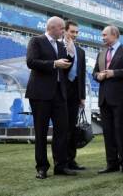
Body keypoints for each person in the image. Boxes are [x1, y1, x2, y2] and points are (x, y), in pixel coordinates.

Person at [25, 16, 77, 179]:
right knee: (41, 132)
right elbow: (31, 62)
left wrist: (70, 54)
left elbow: (66, 67)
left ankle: (60, 165)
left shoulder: (62, 45)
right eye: (62, 28)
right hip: (40, 94)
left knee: (62, 130)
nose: (64, 31)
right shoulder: (36, 41)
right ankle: (42, 167)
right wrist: (54, 63)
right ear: (52, 27)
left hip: (59, 94)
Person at [93, 25, 123, 174]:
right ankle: (111, 163)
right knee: (108, 132)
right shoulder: (101, 52)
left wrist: (114, 73)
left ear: (114, 35)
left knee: (121, 131)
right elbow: (94, 73)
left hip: (120, 98)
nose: (103, 37)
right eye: (102, 35)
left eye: (105, 35)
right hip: (104, 99)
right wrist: (98, 76)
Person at [63, 20, 87, 170]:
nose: (75, 35)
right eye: (72, 31)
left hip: (74, 94)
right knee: (62, 129)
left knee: (72, 128)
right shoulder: (58, 47)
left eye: (77, 32)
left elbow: (82, 75)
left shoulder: (81, 51)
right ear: (65, 31)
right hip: (60, 92)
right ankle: (62, 161)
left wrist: (82, 96)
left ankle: (71, 160)